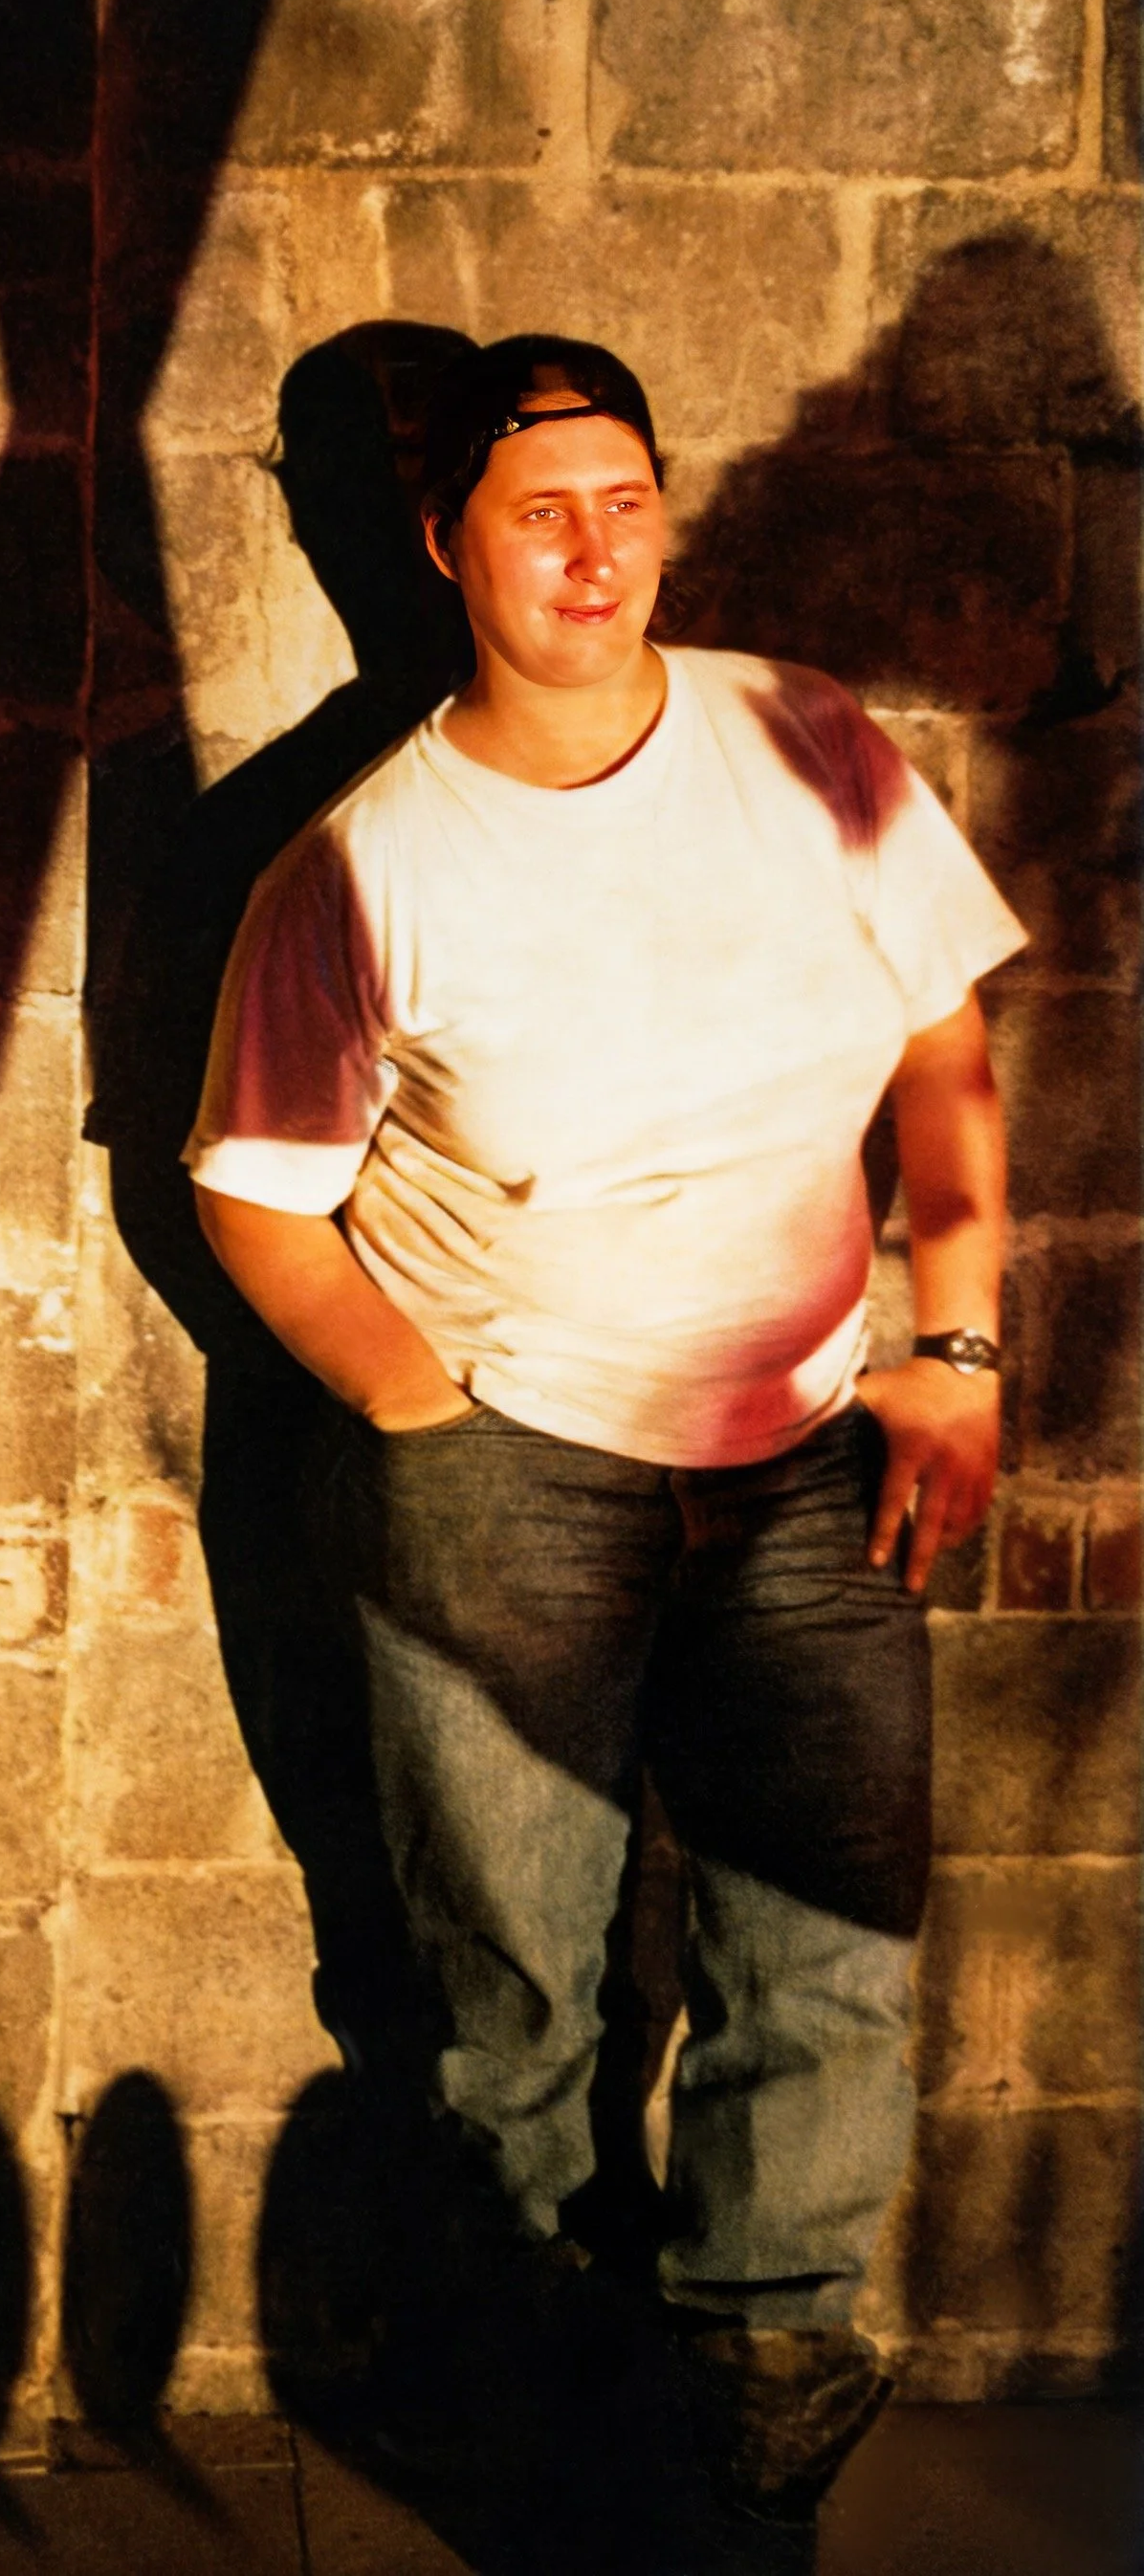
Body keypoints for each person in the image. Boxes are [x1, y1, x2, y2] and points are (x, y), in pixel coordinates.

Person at [183, 334, 1024, 2523]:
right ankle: (533, 2383)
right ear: (443, 543)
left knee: (822, 1950)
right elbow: (251, 1197)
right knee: (510, 1987)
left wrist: (953, 1347)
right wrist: (423, 1406)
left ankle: (762, 2378)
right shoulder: (366, 862)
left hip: (810, 1453)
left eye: (626, 500)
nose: (592, 549)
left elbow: (942, 1049)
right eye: (540, 510)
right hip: (512, 1478)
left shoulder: (802, 740)